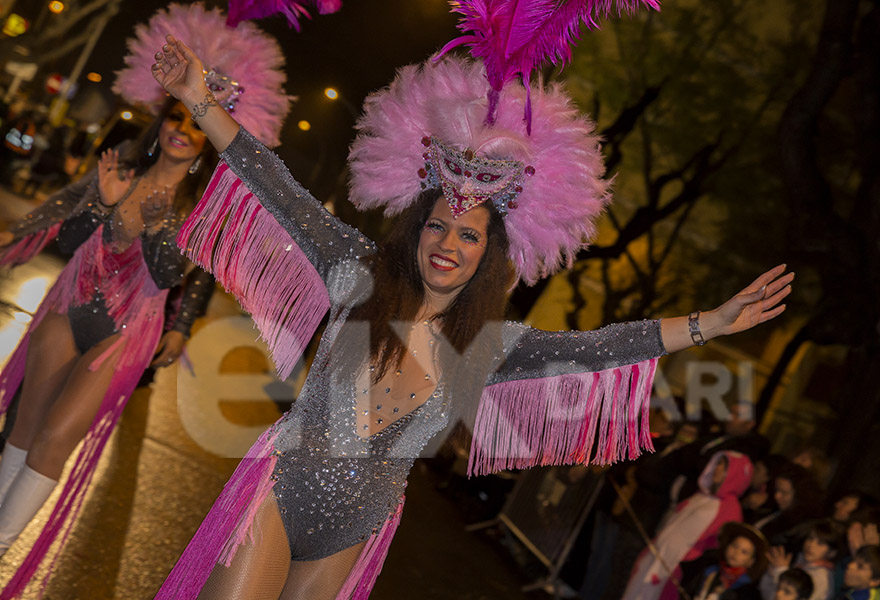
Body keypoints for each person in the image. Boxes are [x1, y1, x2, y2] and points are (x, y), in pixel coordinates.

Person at [149, 5, 794, 599]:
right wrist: (198, 100)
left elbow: (600, 347)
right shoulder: (358, 273)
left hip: (355, 532)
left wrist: (711, 323)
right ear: (416, 226)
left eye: (468, 234)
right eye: (437, 225)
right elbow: (276, 184)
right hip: (281, 494)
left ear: (489, 254)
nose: (448, 243)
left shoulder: (490, 347)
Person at [0, 4, 291, 595]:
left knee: (59, 435)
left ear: (208, 140)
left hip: (126, 330)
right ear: (161, 119)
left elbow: (169, 275)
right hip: (69, 306)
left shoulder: (197, 211)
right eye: (175, 118)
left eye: (194, 125)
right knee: (26, 422)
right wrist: (104, 204)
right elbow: (69, 234)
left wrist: (159, 235)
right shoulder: (122, 169)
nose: (182, 131)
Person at [623, 451, 755, 600]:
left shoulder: (730, 508)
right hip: (658, 558)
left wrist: (687, 565)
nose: (718, 468)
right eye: (718, 463)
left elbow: (718, 547)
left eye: (725, 467)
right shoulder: (700, 496)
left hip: (676, 569)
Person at [684, 521, 768, 600]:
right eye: (735, 546)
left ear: (751, 561)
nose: (736, 553)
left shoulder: (747, 590)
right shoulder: (709, 571)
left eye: (744, 552)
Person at [760, 520, 841, 600]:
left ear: (831, 552)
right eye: (810, 538)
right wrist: (772, 572)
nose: (811, 545)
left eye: (820, 543)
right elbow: (768, 594)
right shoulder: (800, 562)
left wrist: (780, 571)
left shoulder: (822, 578)